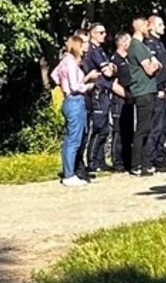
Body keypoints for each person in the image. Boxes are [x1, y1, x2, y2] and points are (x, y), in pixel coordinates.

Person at [52, 32, 100, 187]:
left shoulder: (64, 61)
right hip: (75, 100)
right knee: (74, 139)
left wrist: (62, 84)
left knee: (71, 137)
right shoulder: (71, 62)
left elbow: (54, 75)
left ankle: (69, 171)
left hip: (69, 101)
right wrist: (88, 86)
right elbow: (75, 86)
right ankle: (69, 174)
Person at [126, 16, 162, 176]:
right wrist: (155, 64)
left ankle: (146, 163)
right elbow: (150, 68)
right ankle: (137, 164)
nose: (149, 30)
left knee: (148, 128)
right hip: (143, 91)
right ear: (141, 28)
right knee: (142, 129)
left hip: (148, 90)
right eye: (147, 27)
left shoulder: (142, 46)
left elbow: (156, 63)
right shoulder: (137, 46)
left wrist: (155, 64)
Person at [83, 23, 117, 175]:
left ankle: (100, 160)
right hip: (98, 92)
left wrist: (111, 68)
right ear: (93, 34)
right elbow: (109, 72)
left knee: (105, 129)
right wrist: (110, 68)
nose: (104, 35)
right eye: (101, 32)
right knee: (99, 128)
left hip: (104, 92)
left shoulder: (101, 51)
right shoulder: (93, 51)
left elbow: (113, 69)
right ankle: (92, 161)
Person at [145, 15, 166, 170]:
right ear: (151, 26)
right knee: (155, 128)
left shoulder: (160, 44)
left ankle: (160, 158)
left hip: (162, 89)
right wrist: (158, 88)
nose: (163, 27)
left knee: (163, 127)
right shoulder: (149, 44)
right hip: (155, 91)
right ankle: (151, 158)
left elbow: (164, 68)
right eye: (159, 24)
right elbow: (152, 69)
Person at [109, 32, 134, 171]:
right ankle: (117, 161)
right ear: (123, 43)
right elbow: (113, 84)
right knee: (119, 131)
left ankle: (127, 160)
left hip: (130, 100)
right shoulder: (115, 60)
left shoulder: (129, 58)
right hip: (120, 99)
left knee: (128, 131)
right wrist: (126, 95)